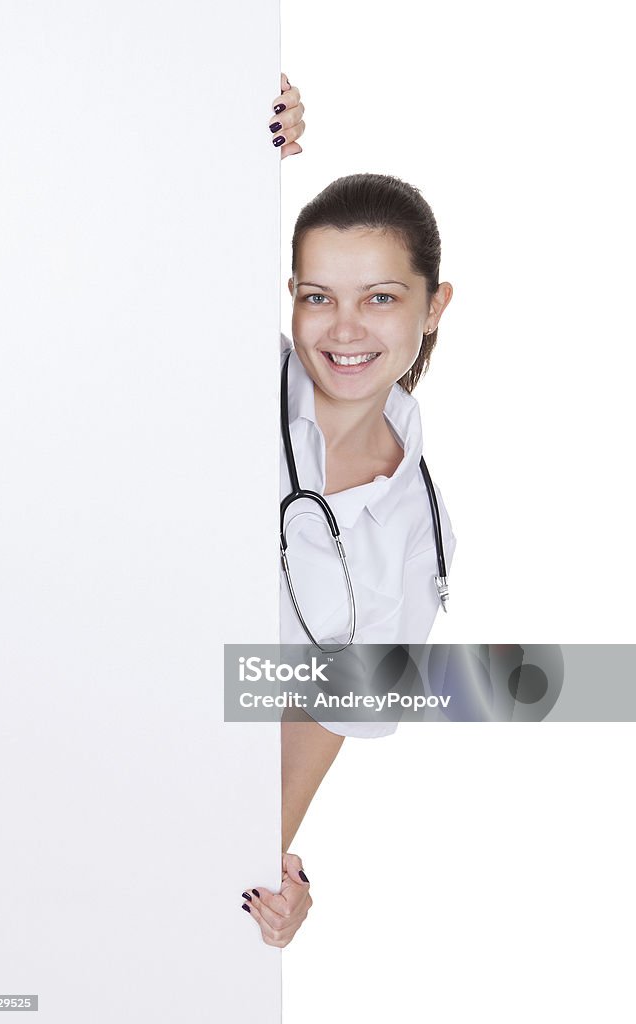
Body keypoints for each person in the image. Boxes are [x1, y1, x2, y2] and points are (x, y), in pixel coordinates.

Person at [243, 73, 457, 948]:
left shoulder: (415, 546)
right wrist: (234, 118)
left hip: (150, 769)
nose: (342, 330)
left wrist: (258, 862)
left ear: (435, 307)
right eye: (317, 296)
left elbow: (321, 716)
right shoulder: (227, 367)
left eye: (381, 297)